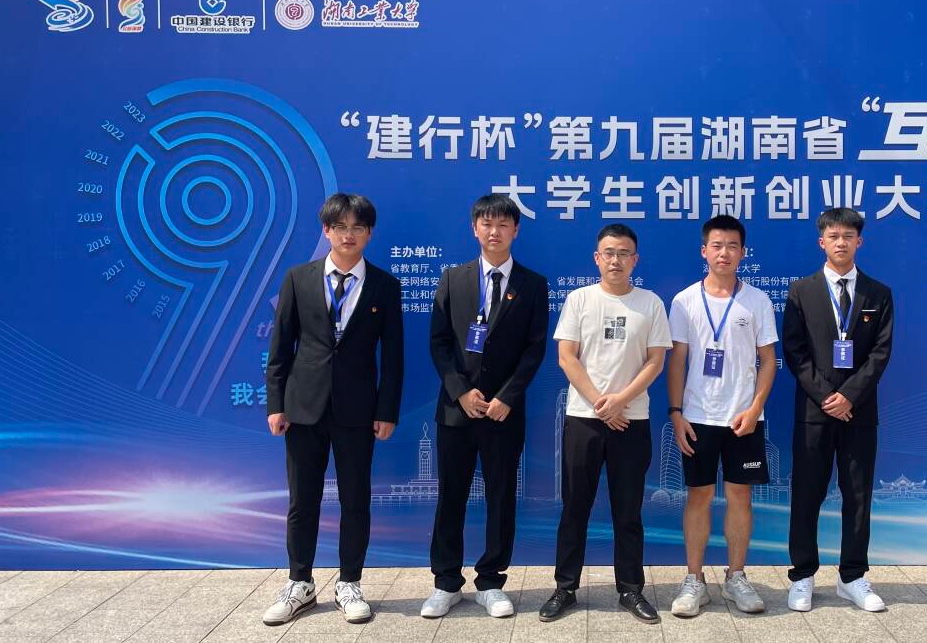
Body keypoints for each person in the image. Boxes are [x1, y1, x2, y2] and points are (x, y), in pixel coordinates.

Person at [262, 193, 403, 626]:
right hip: (303, 408)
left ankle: (350, 582)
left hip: (358, 411)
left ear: (369, 233)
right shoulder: (299, 279)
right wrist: (276, 404)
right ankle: (299, 583)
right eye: (340, 227)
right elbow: (280, 347)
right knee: (302, 500)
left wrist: (387, 410)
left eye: (357, 227)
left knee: (355, 500)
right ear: (326, 231)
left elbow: (393, 356)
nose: (348, 234)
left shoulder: (384, 285)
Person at [422, 194, 549, 619]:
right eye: (486, 224)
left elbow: (534, 350)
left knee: (500, 497)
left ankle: (491, 581)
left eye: (503, 224)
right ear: (474, 229)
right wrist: (461, 391)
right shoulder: (452, 278)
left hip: (503, 414)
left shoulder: (533, 284)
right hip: (456, 411)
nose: (494, 232)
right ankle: (445, 582)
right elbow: (439, 343)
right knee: (451, 496)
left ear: (516, 230)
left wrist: (507, 397)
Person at [539, 224, 670, 625]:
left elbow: (655, 361)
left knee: (628, 510)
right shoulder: (579, 299)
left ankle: (630, 589)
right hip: (584, 420)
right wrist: (601, 403)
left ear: (635, 260)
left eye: (624, 253)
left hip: (632, 420)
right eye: (609, 253)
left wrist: (620, 401)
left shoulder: (650, 303)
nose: (616, 260)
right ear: (597, 258)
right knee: (574, 507)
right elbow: (567, 357)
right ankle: (565, 588)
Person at [781, 207, 894, 613]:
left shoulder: (878, 294)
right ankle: (802, 575)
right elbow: (795, 352)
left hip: (858, 413)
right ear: (822, 242)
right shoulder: (801, 291)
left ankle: (853, 576)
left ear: (859, 241)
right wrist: (828, 397)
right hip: (814, 413)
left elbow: (880, 353)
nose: (841, 242)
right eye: (834, 236)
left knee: (858, 495)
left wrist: (849, 397)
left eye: (848, 236)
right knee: (806, 494)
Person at [666, 215, 778, 618]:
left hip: (742, 418)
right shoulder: (684, 301)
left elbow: (768, 361)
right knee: (698, 495)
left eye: (732, 246)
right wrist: (676, 413)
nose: (724, 253)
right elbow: (677, 361)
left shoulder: (758, 301)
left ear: (743, 252)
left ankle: (736, 578)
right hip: (697, 416)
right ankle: (694, 580)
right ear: (704, 251)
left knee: (739, 496)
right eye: (717, 245)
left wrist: (755, 408)